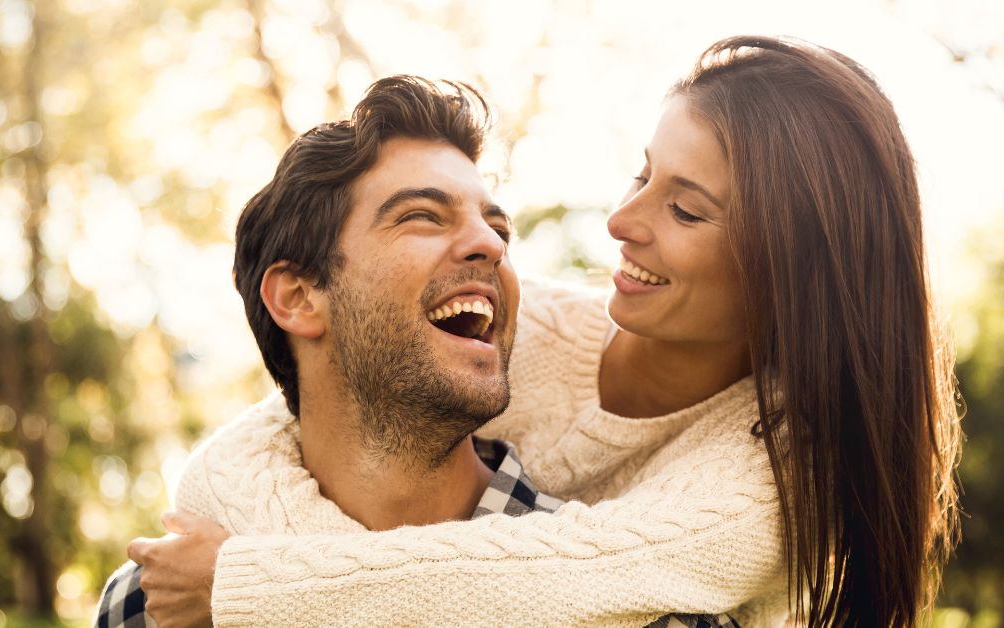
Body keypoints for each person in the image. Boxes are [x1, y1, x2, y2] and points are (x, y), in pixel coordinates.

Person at [131, 36, 963, 626]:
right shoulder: (514, 328)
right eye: (644, 174)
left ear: (788, 277)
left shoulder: (772, 475)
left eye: (684, 208)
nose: (619, 221)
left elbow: (560, 580)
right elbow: (276, 432)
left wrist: (247, 590)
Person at [99, 76, 734, 628]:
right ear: (297, 297)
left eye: (498, 227)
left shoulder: (655, 614)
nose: (490, 244)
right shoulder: (153, 607)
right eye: (424, 216)